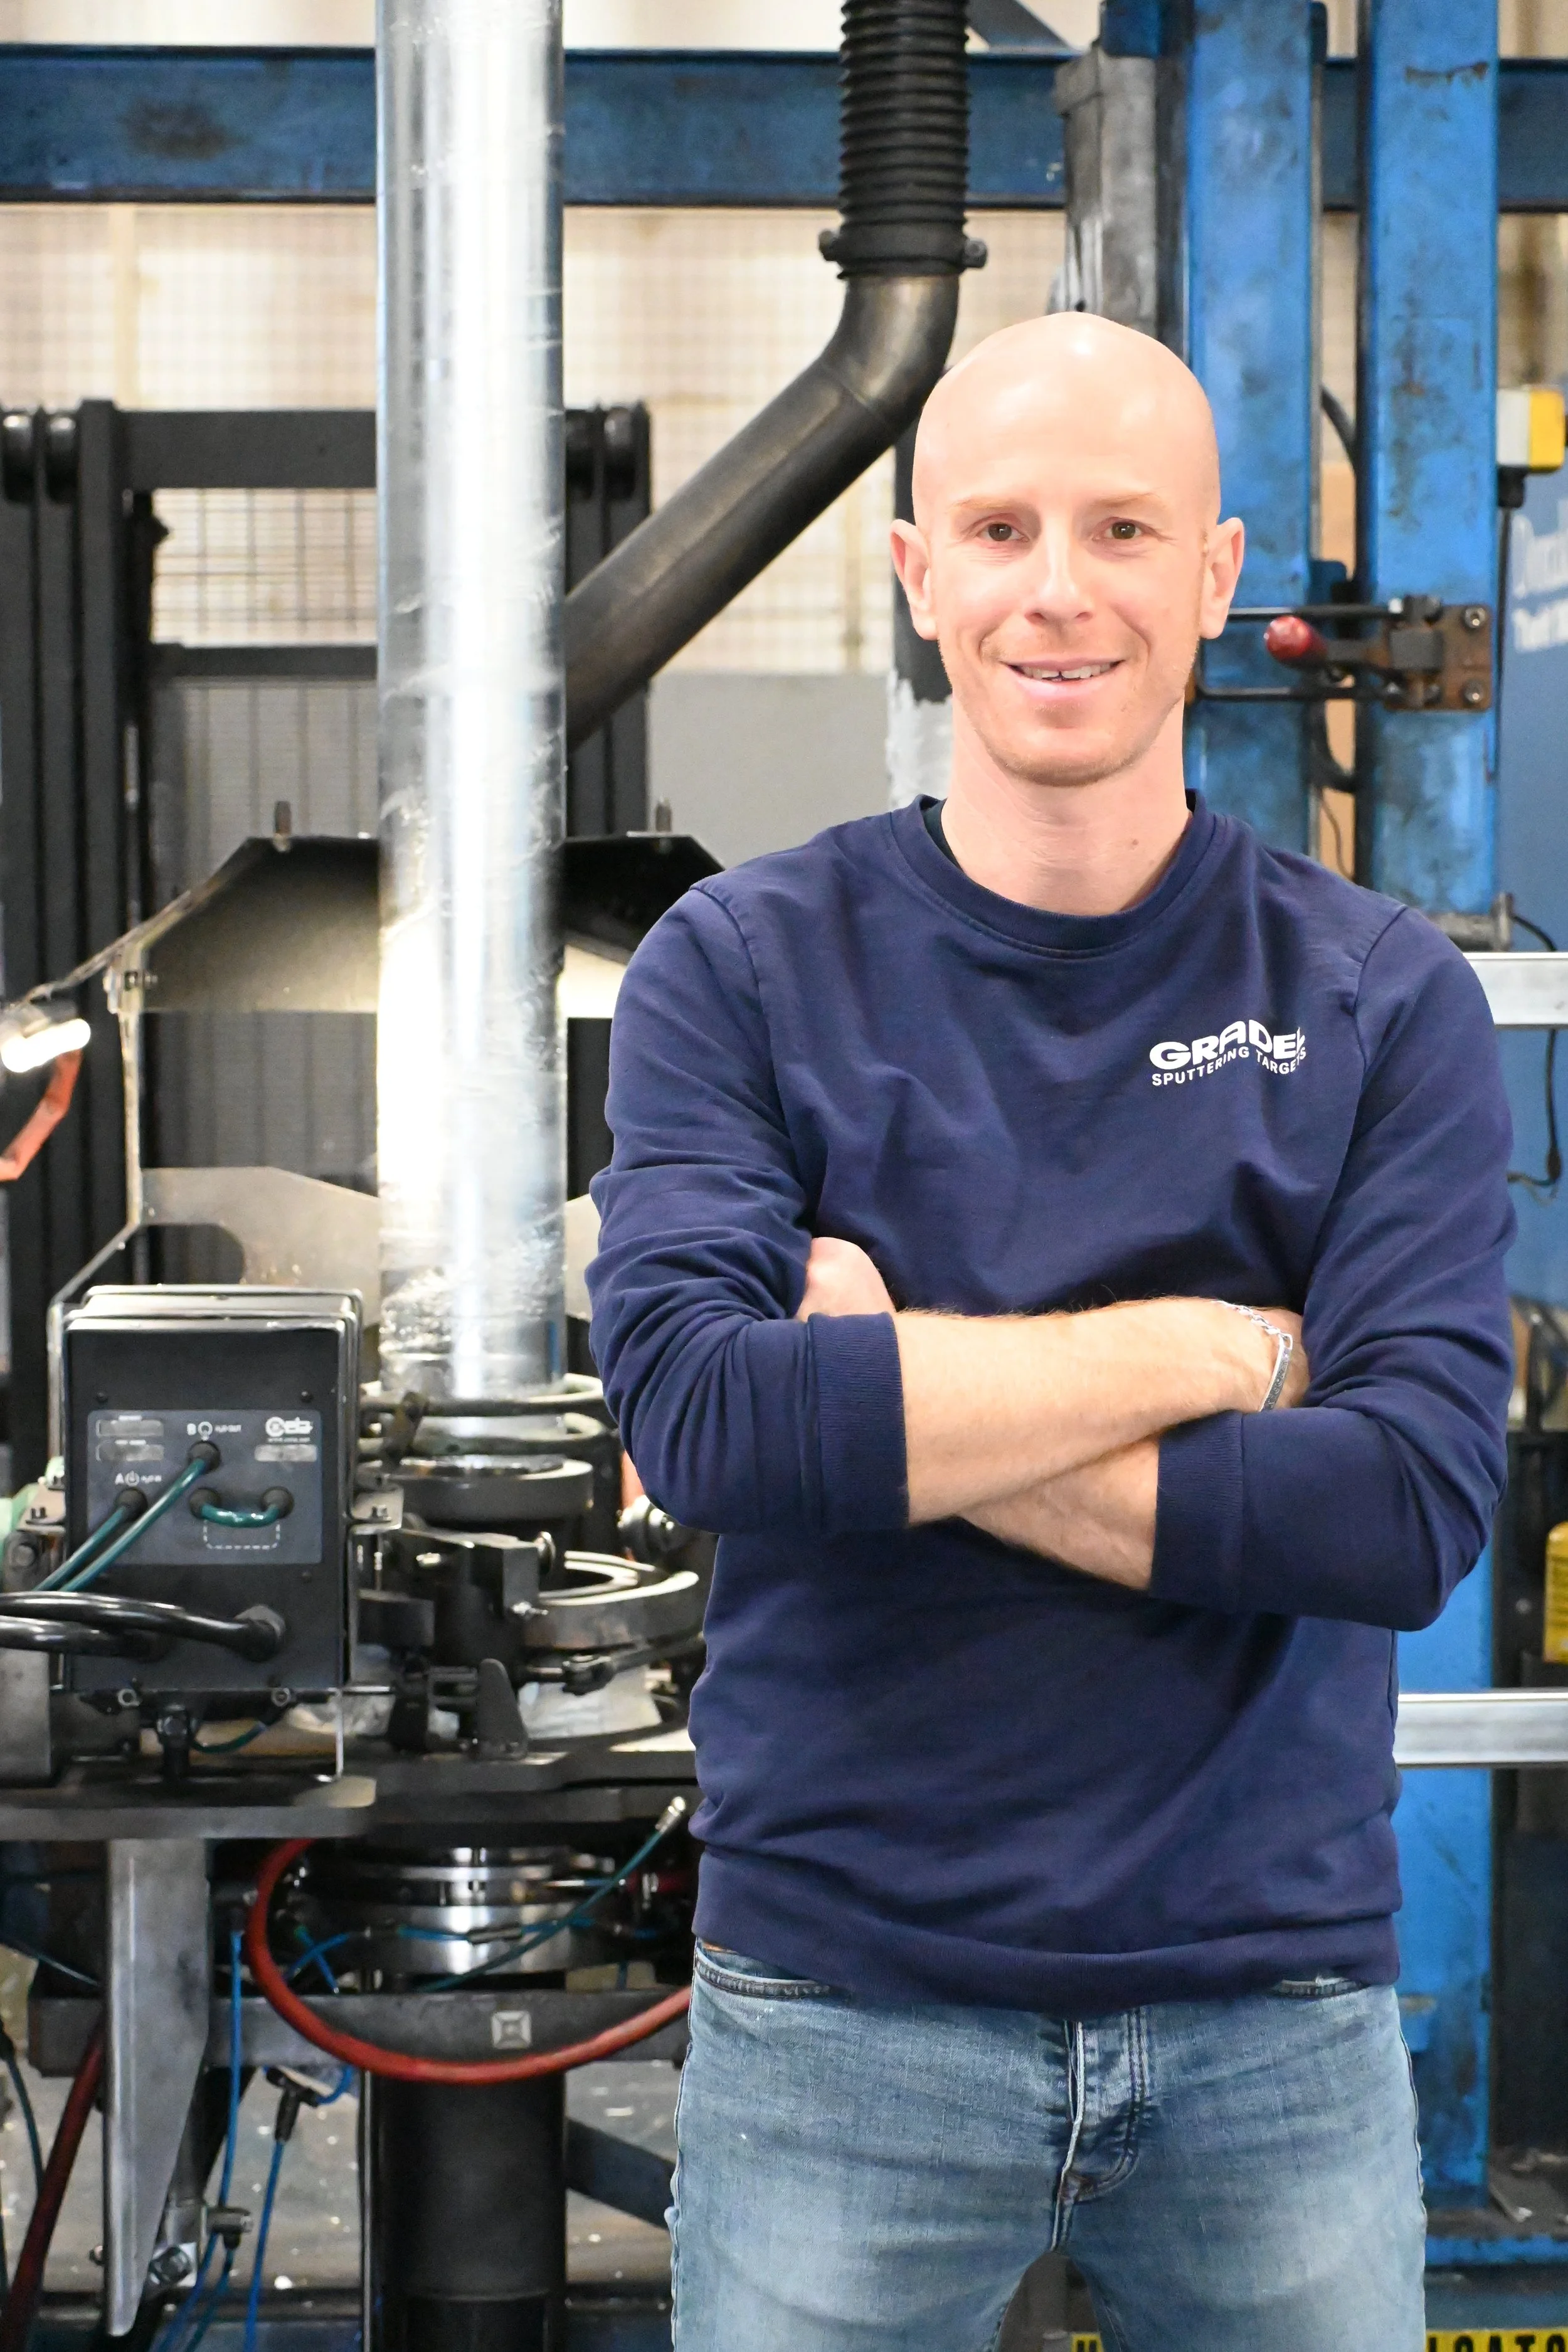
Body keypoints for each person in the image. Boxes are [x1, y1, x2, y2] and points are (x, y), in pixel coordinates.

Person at [586, 312, 1513, 2352]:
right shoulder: (738, 969)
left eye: (1120, 528)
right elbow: (709, 1424)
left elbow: (1398, 1508)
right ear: (915, 573)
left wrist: (892, 1388)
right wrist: (1210, 1348)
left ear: (1213, 573)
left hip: (1268, 2018)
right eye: (997, 528)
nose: (1057, 588)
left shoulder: (1375, 998)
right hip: (842, 2016)